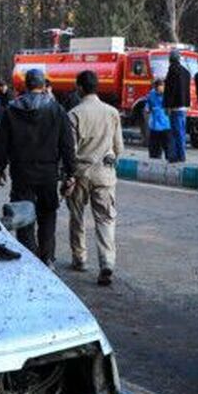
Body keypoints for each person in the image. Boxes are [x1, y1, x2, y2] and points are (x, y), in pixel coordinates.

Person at [0, 68, 76, 266]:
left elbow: (2, 142)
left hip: (21, 172)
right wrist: (70, 173)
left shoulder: (12, 110)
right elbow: (66, 144)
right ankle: (47, 257)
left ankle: (30, 258)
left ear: (26, 85)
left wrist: (0, 167)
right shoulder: (56, 110)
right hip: (48, 173)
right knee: (47, 214)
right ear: (43, 85)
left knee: (23, 215)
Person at [67, 71, 124, 286]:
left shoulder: (74, 114)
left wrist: (68, 177)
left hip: (80, 174)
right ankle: (107, 263)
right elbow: (119, 148)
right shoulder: (112, 113)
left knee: (77, 217)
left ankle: (80, 258)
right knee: (105, 219)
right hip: (104, 175)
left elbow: (70, 151)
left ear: (80, 88)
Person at [163, 51, 191, 163]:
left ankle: (177, 156)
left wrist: (167, 105)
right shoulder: (186, 71)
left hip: (175, 106)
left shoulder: (172, 71)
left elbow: (171, 90)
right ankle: (180, 155)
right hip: (184, 106)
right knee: (181, 131)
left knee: (176, 132)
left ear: (170, 59)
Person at [146, 79, 172, 159]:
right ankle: (154, 157)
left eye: (161, 88)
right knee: (154, 147)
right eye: (157, 89)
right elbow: (148, 103)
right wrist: (147, 108)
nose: (159, 91)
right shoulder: (152, 93)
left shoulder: (168, 95)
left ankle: (169, 158)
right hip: (154, 124)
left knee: (167, 146)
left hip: (165, 125)